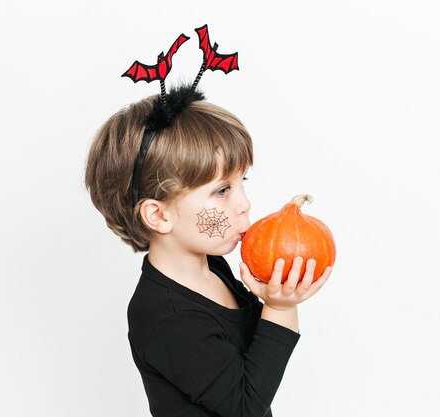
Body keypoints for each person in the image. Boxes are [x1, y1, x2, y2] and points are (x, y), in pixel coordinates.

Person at [84, 26, 332, 417]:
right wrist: (281, 310)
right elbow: (245, 407)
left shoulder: (212, 266)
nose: (245, 205)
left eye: (241, 183)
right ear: (159, 215)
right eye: (222, 191)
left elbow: (247, 352)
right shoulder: (166, 315)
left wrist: (273, 298)